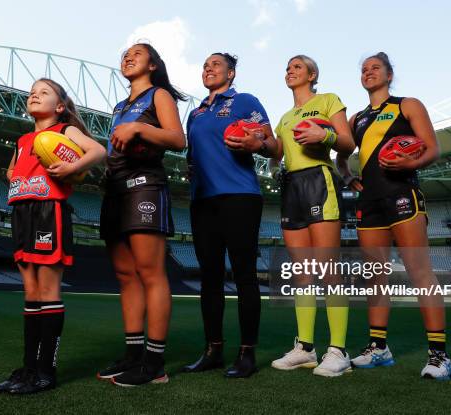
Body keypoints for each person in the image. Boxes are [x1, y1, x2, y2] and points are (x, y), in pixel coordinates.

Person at [337, 52, 451, 380]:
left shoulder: (407, 105)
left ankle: (439, 356)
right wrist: (347, 178)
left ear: (389, 74)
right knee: (375, 277)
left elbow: (432, 148)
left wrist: (409, 164)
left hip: (403, 196)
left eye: (375, 68)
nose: (368, 72)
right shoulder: (356, 119)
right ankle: (378, 349)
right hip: (369, 203)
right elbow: (341, 156)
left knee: (420, 274)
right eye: (364, 69)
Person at [0, 78, 106, 394]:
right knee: (30, 291)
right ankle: (28, 368)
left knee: (47, 290)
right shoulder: (23, 139)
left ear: (59, 106)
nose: (34, 94)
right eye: (32, 92)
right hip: (21, 212)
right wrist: (18, 179)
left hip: (48, 211)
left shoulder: (63, 132)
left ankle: (46, 371)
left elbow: (97, 151)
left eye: (43, 92)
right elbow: (11, 171)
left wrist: (73, 168)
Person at [96, 43, 186, 387]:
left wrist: (139, 129)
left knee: (150, 273)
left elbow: (178, 139)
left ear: (152, 63)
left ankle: (154, 363)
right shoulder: (120, 106)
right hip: (115, 189)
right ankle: (133, 354)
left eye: (136, 53)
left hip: (143, 185)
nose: (127, 57)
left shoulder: (158, 95)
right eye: (124, 54)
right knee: (125, 275)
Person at [182, 53, 277, 378]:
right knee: (209, 278)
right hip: (202, 201)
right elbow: (191, 159)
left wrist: (257, 142)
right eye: (205, 64)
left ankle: (247, 353)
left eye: (216, 64)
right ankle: (213, 350)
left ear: (231, 73)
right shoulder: (194, 114)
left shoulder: (244, 101)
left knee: (244, 274)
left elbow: (274, 146)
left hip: (240, 196)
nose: (208, 68)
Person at [268, 55, 356, 377]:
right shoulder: (284, 118)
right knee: (302, 273)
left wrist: (325, 137)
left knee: (327, 268)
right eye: (287, 67)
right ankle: (305, 349)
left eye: (297, 67)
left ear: (312, 74)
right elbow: (276, 151)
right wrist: (257, 142)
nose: (290, 70)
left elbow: (347, 141)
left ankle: (339, 351)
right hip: (291, 186)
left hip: (319, 180)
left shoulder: (328, 100)